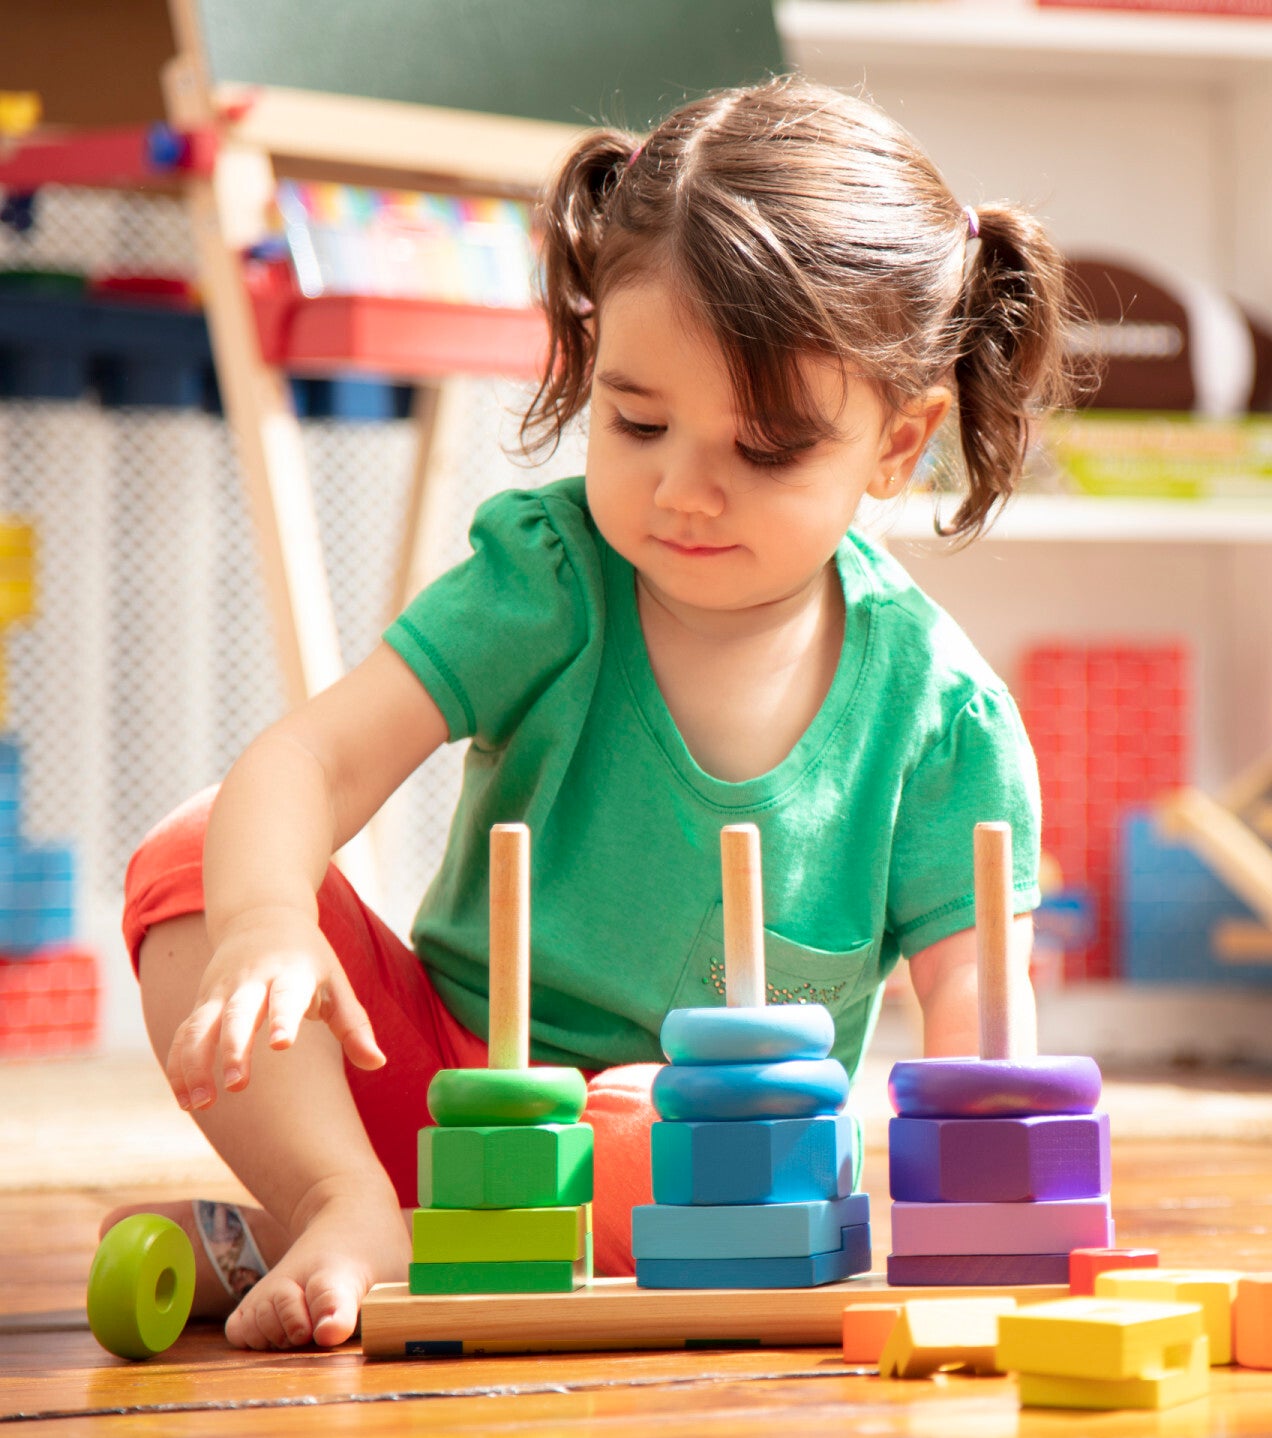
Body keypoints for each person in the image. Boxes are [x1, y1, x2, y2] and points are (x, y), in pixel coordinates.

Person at [106, 75, 1073, 1350]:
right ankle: (346, 1202)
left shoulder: (943, 717)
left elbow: (975, 1010)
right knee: (197, 856)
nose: (683, 491)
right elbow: (311, 761)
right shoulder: (550, 579)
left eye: (765, 450)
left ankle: (351, 1243)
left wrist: (984, 1223)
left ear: (898, 444)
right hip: (448, 1091)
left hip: (705, 1159)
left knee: (641, 1123)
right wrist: (268, 926)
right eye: (638, 420)